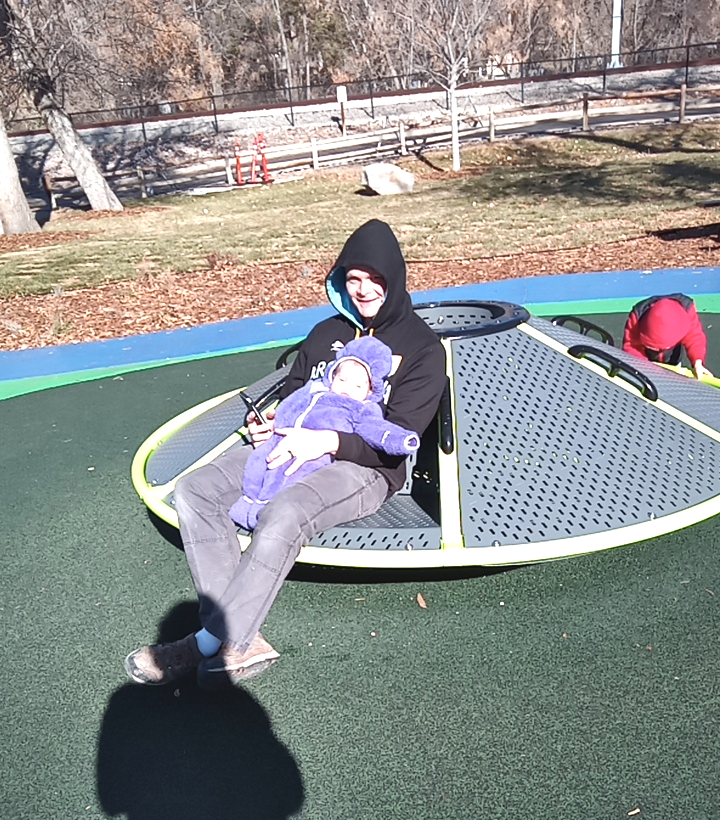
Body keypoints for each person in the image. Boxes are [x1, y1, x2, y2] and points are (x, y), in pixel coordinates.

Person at [124, 218, 447, 689]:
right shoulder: (326, 332)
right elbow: (294, 392)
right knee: (197, 490)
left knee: (287, 511)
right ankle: (242, 639)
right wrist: (271, 423)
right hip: (287, 445)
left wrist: (329, 441)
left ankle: (207, 642)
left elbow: (401, 434)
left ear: (395, 279)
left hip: (363, 467)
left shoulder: (422, 349)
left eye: (375, 278)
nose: (363, 290)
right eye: (353, 278)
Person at [229, 335, 420, 531]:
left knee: (285, 480)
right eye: (342, 380)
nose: (347, 389)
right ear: (332, 376)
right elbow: (289, 405)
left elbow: (378, 430)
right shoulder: (313, 390)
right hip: (281, 440)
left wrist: (400, 440)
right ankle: (247, 503)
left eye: (358, 386)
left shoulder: (361, 409)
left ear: (370, 391)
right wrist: (272, 423)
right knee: (255, 468)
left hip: (313, 455)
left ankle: (262, 514)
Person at [622, 293, 713, 379]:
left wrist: (697, 362)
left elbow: (694, 337)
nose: (658, 350)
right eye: (652, 346)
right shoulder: (637, 316)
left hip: (673, 360)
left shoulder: (687, 310)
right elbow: (631, 346)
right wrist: (645, 368)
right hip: (645, 363)